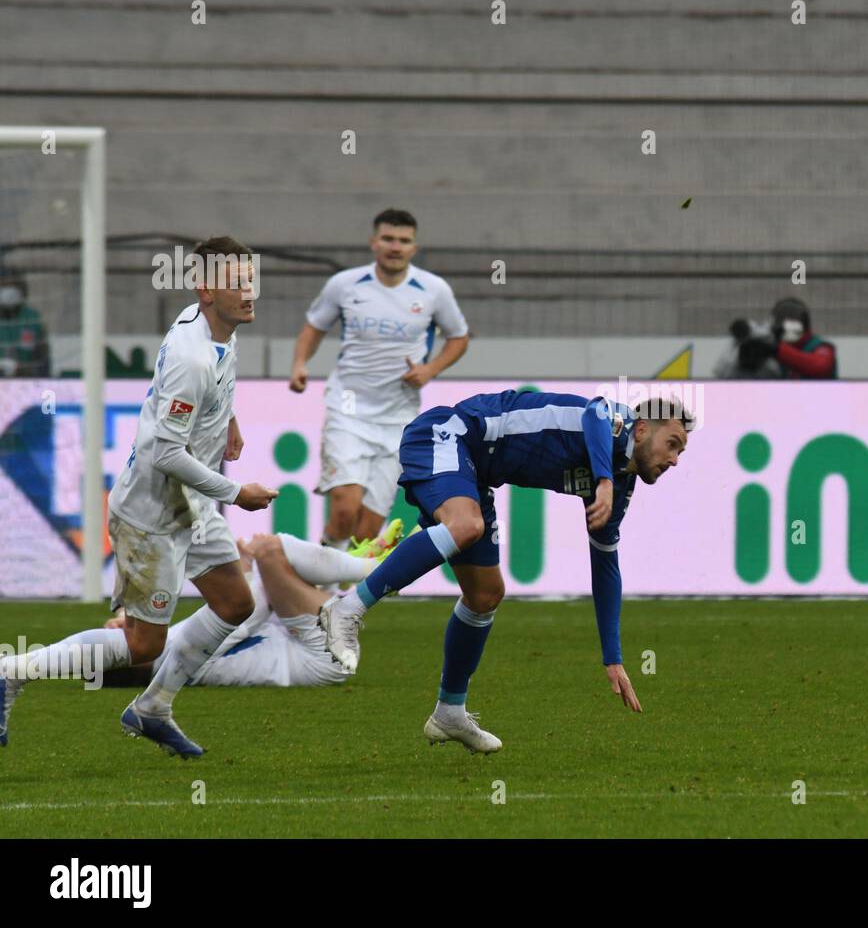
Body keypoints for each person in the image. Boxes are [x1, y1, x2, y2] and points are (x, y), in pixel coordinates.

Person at [0, 237, 280, 757]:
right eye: (235, 283)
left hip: (190, 504)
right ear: (205, 290)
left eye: (250, 279)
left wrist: (229, 420)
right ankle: (10, 671)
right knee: (141, 644)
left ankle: (152, 709)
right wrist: (237, 492)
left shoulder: (212, 327)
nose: (248, 292)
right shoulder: (191, 359)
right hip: (151, 513)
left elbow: (216, 384)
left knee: (235, 602)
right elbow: (166, 454)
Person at [317, 390, 693, 753]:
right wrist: (604, 481)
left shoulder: (619, 484)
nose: (674, 459)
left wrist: (613, 658)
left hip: (475, 473)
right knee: (466, 526)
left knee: (485, 595)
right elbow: (594, 411)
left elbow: (606, 567)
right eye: (672, 444)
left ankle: (450, 711)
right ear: (641, 430)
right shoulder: (611, 424)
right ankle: (347, 608)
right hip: (450, 433)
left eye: (681, 451)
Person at [289, 209, 470, 550]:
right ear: (374, 243)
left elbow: (459, 337)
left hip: (399, 419)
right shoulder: (345, 284)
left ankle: (343, 593)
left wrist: (430, 370)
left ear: (414, 248)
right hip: (348, 409)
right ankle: (319, 586)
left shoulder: (433, 290)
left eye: (404, 241)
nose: (395, 247)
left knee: (368, 530)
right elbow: (314, 327)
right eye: (388, 238)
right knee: (344, 507)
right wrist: (300, 363)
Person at [101, 526, 402, 689]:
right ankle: (374, 569)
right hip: (323, 655)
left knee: (271, 559)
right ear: (132, 657)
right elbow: (247, 611)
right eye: (115, 635)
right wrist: (250, 566)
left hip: (307, 646)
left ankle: (361, 566)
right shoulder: (175, 650)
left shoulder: (165, 654)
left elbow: (240, 617)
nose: (117, 626)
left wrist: (244, 569)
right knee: (271, 551)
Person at [717, 298, 837, 379]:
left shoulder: (822, 347)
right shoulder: (771, 348)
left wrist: (775, 350)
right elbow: (722, 373)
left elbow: (820, 366)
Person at [0, 272, 51, 378]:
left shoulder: (32, 318)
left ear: (22, 290)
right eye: (4, 286)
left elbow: (43, 355)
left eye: (13, 286)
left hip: (27, 379)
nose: (9, 291)